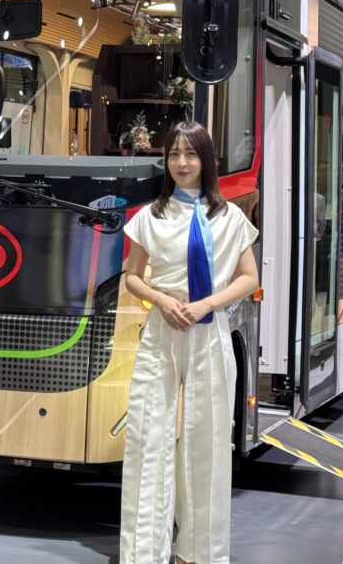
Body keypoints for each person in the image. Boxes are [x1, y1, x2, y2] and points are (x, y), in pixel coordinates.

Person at [121, 121, 258, 564]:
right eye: (173, 154)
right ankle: (143, 553)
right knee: (148, 438)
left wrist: (206, 305)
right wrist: (161, 299)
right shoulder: (151, 216)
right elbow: (132, 278)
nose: (181, 163)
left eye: (191, 154)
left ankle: (199, 552)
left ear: (206, 160)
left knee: (209, 442)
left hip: (210, 333)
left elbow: (249, 278)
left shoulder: (230, 217)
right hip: (161, 333)